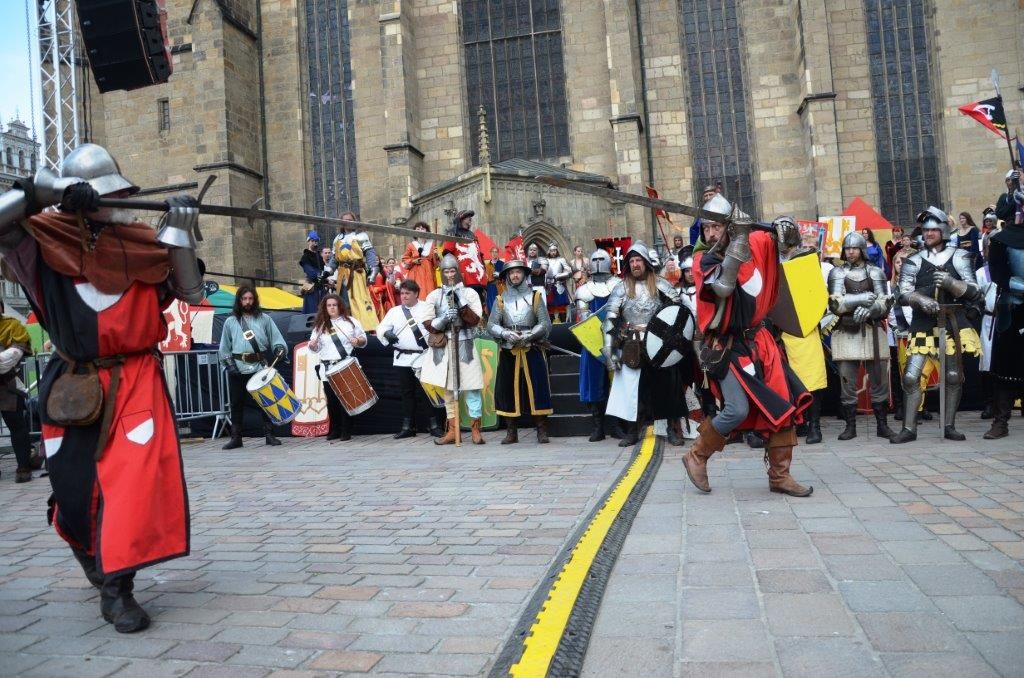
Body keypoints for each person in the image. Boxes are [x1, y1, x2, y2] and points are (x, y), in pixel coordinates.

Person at [0, 142, 202, 632]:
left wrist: (181, 230)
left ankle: (117, 590)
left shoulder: (143, 243)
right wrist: (44, 192)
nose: (110, 200)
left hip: (137, 381)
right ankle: (92, 555)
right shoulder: (41, 239)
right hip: (74, 381)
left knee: (130, 489)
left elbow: (192, 291)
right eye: (97, 193)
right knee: (75, 491)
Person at [683, 194, 813, 497]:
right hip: (727, 346)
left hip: (761, 341)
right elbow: (723, 287)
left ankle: (780, 475)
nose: (711, 234)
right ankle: (697, 455)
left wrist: (786, 226)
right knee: (737, 409)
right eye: (707, 228)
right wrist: (738, 237)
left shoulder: (756, 242)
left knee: (784, 403)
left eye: (717, 227)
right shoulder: (704, 259)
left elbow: (786, 244)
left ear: (728, 225)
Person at [891, 207, 984, 443]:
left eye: (933, 229)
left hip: (952, 322)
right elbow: (902, 294)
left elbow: (974, 291)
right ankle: (909, 428)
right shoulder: (912, 260)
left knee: (953, 376)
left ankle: (949, 425)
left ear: (943, 230)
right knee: (911, 377)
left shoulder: (960, 256)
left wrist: (952, 283)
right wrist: (920, 299)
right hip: (923, 323)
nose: (929, 233)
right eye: (926, 229)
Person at [603, 241, 687, 447]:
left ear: (646, 262)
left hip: (660, 344)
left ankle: (671, 428)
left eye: (638, 259)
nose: (635, 264)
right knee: (633, 390)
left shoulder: (661, 284)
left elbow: (678, 313)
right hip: (632, 344)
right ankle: (633, 430)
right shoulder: (621, 288)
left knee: (668, 387)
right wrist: (610, 351)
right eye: (631, 261)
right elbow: (610, 321)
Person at [827, 231, 895, 440]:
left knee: (879, 380)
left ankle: (882, 425)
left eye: (854, 248)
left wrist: (872, 309)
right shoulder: (837, 273)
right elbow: (836, 303)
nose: (850, 251)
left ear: (862, 250)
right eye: (847, 248)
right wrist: (864, 298)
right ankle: (850, 427)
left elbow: (885, 301)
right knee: (847, 381)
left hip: (872, 329)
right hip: (846, 331)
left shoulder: (875, 272)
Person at [774, 216, 829, 445]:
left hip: (805, 328)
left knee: (811, 379)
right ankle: (799, 422)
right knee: (785, 381)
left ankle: (815, 425)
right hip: (779, 329)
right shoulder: (769, 262)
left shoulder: (806, 259)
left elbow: (816, 295)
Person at [421, 254, 486, 445]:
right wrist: (443, 319)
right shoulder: (434, 295)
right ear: (441, 273)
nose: (449, 274)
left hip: (465, 343)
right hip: (444, 346)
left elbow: (475, 320)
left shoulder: (470, 294)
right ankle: (452, 431)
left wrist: (460, 301)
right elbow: (427, 323)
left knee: (472, 388)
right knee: (448, 391)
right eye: (446, 271)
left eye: (452, 270)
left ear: (458, 272)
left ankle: (475, 430)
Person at [487, 259, 553, 444]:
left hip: (532, 346)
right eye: (511, 273)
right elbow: (491, 325)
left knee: (538, 388)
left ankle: (541, 429)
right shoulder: (500, 300)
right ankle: (511, 431)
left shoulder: (535, 297)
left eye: (518, 272)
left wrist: (530, 335)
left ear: (524, 274)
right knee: (507, 389)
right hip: (509, 349)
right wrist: (505, 333)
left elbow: (545, 323)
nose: (515, 275)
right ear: (507, 276)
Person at [219, 286, 288, 449]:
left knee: (265, 402)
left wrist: (279, 348)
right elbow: (224, 347)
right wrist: (229, 365)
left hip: (259, 367)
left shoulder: (264, 319)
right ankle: (236, 438)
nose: (247, 302)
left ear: (254, 299)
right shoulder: (230, 321)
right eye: (244, 299)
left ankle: (269, 435)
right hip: (238, 367)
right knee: (237, 403)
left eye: (250, 298)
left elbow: (277, 339)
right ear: (239, 301)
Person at [378, 279, 445, 439]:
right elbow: (381, 328)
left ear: (416, 294)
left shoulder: (427, 309)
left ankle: (434, 425)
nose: (404, 296)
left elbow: (437, 327)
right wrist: (387, 334)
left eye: (407, 293)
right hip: (402, 359)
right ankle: (408, 427)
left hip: (423, 357)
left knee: (427, 393)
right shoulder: (394, 312)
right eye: (402, 293)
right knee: (406, 394)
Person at [983, 182, 1024, 439]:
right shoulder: (1000, 240)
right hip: (1013, 305)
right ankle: (1001, 420)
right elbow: (998, 276)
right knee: (1005, 367)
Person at [308, 293, 367, 442]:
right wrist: (313, 345)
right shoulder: (320, 326)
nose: (332, 308)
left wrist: (357, 341)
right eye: (329, 305)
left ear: (339, 306)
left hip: (345, 364)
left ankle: (346, 430)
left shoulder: (351, 322)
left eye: (334, 305)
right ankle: (335, 429)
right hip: (327, 367)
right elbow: (314, 346)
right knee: (332, 400)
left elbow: (363, 339)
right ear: (325, 308)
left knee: (346, 399)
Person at [576, 250, 615, 441]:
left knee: (617, 384)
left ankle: (617, 425)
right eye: (595, 259)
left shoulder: (619, 286)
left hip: (617, 340)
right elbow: (584, 320)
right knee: (594, 385)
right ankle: (598, 426)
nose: (598, 262)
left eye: (602, 259)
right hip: (592, 342)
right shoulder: (584, 290)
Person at [0, 300, 37, 482]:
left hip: (8, 387)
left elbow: (12, 356)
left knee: (18, 428)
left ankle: (24, 466)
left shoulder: (12, 326)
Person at [325, 212, 379, 331]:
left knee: (360, 301)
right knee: (343, 302)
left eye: (350, 219)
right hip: (342, 275)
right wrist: (327, 271)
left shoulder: (361, 236)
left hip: (356, 274)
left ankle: (366, 328)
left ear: (355, 221)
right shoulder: (337, 239)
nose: (348, 222)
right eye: (345, 220)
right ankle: (345, 328)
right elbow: (334, 259)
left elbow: (370, 254)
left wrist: (373, 271)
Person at [443, 210, 488, 308]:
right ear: (461, 219)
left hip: (479, 278)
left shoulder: (473, 236)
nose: (470, 220)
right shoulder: (453, 233)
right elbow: (447, 255)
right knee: (465, 308)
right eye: (468, 218)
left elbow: (479, 256)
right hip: (464, 278)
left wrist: (485, 272)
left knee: (479, 306)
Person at [402, 222, 437, 301]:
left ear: (427, 231)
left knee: (430, 294)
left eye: (422, 228)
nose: (420, 230)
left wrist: (436, 255)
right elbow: (405, 259)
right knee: (417, 292)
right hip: (415, 273)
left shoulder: (432, 245)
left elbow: (436, 264)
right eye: (418, 229)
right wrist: (413, 261)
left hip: (429, 273)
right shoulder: (411, 245)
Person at [299, 230, 326, 314]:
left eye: (316, 241)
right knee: (312, 312)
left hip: (321, 287)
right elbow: (310, 272)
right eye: (313, 241)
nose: (315, 243)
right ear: (309, 241)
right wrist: (320, 277)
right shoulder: (305, 257)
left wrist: (325, 279)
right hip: (312, 288)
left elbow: (323, 270)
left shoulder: (319, 256)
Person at [545, 243, 572, 322]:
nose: (553, 252)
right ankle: (551, 326)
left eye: (554, 250)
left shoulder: (561, 260)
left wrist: (560, 275)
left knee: (561, 306)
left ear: (557, 251)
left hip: (559, 285)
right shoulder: (546, 261)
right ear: (549, 251)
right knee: (550, 307)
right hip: (549, 286)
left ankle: (563, 324)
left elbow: (569, 271)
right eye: (551, 251)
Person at [485, 246, 505, 312]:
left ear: (498, 253)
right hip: (490, 287)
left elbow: (505, 276)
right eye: (493, 252)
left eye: (496, 252)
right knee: (490, 305)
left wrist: (500, 275)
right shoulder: (487, 265)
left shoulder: (502, 264)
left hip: (500, 286)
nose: (494, 253)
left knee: (500, 304)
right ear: (491, 253)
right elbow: (485, 277)